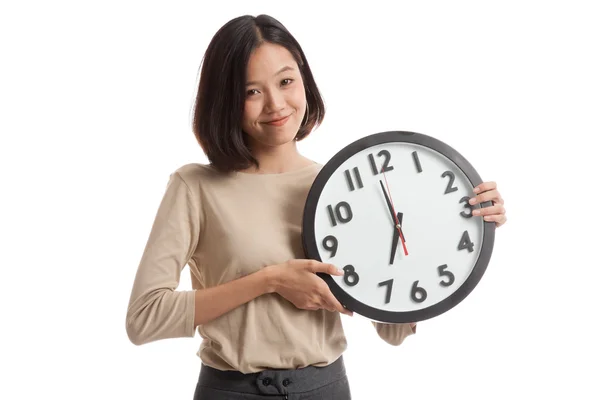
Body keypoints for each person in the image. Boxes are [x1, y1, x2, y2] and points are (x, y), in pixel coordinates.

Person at [125, 14, 508, 400]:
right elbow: (144, 318)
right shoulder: (195, 186)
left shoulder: (343, 185)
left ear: (304, 80)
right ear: (226, 100)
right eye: (251, 92)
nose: (276, 104)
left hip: (324, 389)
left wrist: (465, 224)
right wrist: (269, 280)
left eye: (286, 81)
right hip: (231, 390)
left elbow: (391, 329)